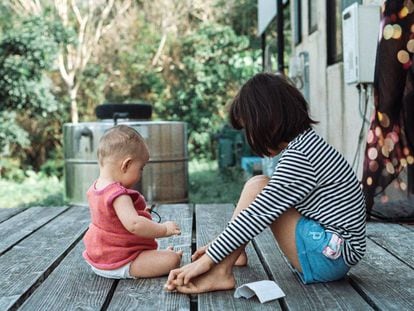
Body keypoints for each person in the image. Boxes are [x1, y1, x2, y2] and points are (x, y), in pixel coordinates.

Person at [165, 73, 366, 293]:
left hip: (329, 258)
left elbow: (257, 214)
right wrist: (220, 246)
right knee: (257, 183)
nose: (250, 139)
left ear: (265, 121)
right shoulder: (306, 145)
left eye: (249, 129)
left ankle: (221, 271)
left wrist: (210, 259)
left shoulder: (301, 157)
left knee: (259, 189)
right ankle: (235, 253)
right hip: (331, 250)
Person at [83, 125, 182, 279]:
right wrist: (164, 229)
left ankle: (155, 258)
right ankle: (160, 258)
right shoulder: (118, 194)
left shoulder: (94, 188)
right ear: (126, 165)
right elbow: (135, 225)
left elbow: (111, 221)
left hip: (98, 259)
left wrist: (140, 212)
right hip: (122, 260)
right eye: (141, 168)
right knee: (173, 259)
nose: (141, 174)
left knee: (162, 256)